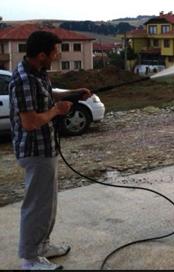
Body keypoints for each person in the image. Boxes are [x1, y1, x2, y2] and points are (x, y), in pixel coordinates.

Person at [8, 31, 92, 270]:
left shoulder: (38, 72)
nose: (58, 55)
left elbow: (47, 95)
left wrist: (74, 93)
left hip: (46, 148)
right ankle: (30, 259)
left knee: (47, 203)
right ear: (42, 54)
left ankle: (41, 246)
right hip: (35, 151)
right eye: (56, 52)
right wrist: (57, 110)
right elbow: (30, 122)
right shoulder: (24, 79)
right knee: (36, 205)